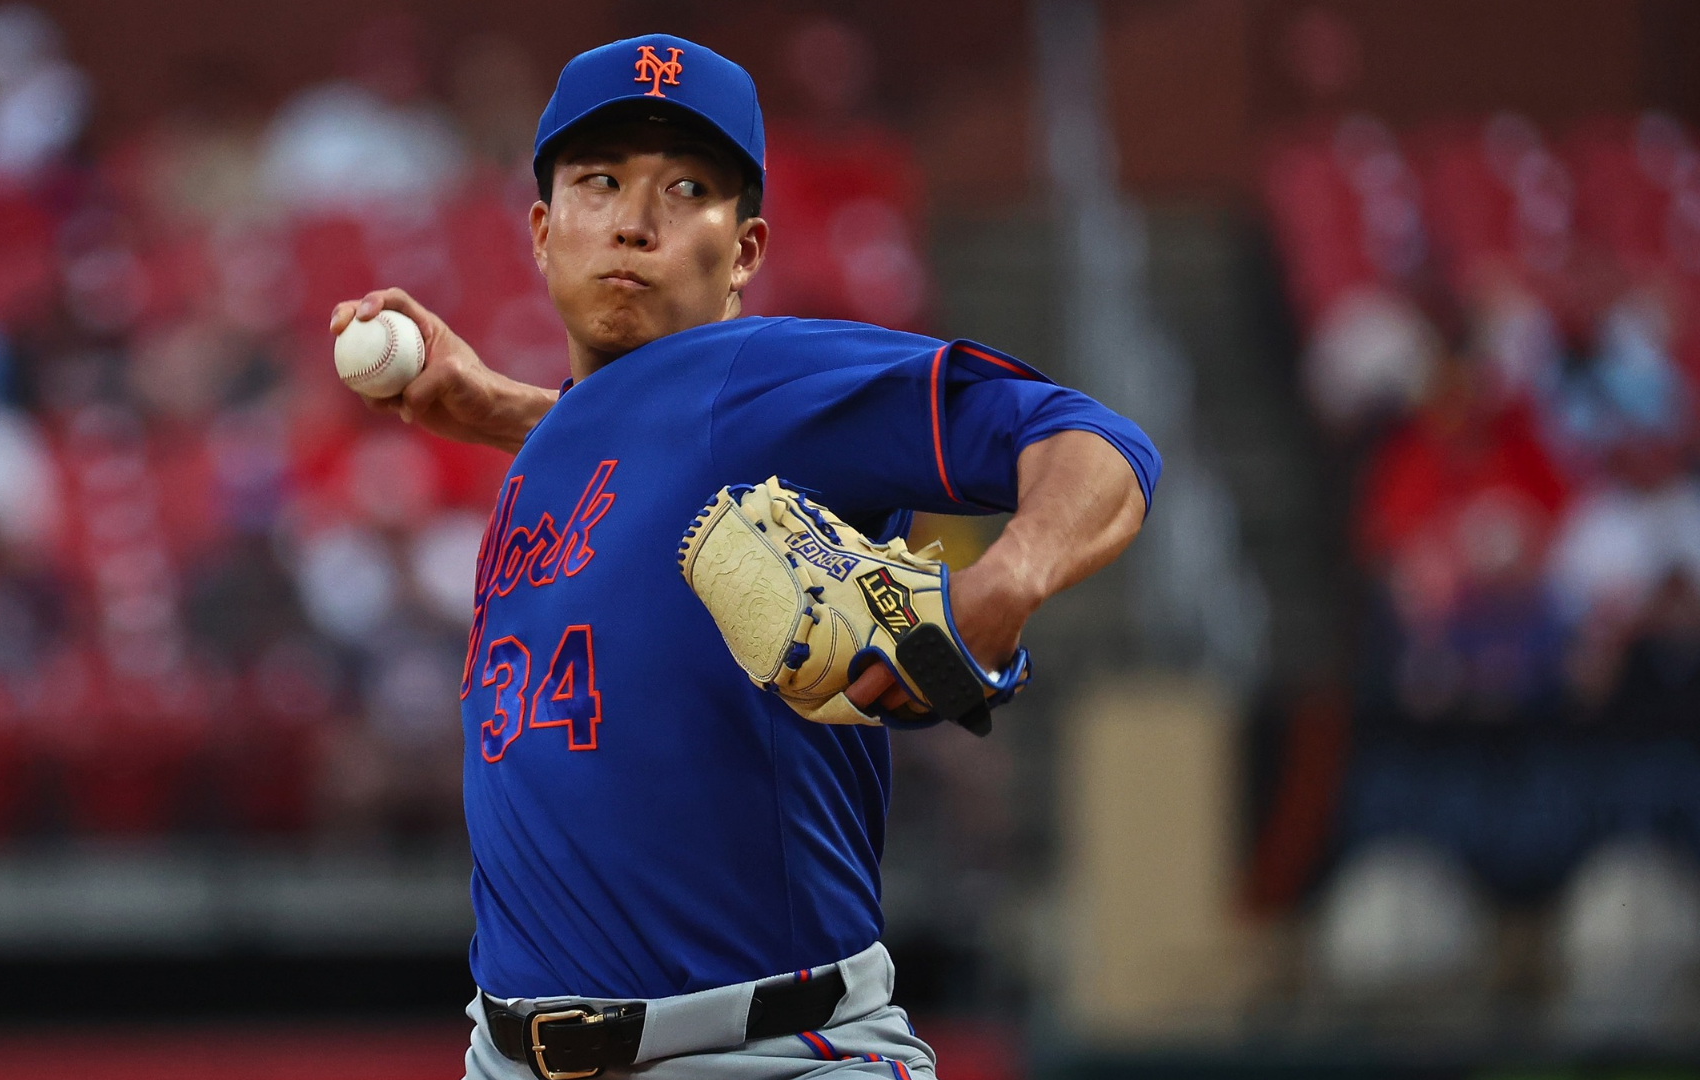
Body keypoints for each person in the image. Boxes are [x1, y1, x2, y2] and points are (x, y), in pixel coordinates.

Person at [329, 34, 1158, 1080]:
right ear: (542, 232)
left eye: (687, 188)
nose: (635, 219)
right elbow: (658, 456)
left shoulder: (765, 377)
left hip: (764, 1050)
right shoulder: (572, 444)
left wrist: (1003, 582)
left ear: (747, 250)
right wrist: (502, 410)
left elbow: (1097, 442)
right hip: (507, 1058)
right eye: (599, 182)